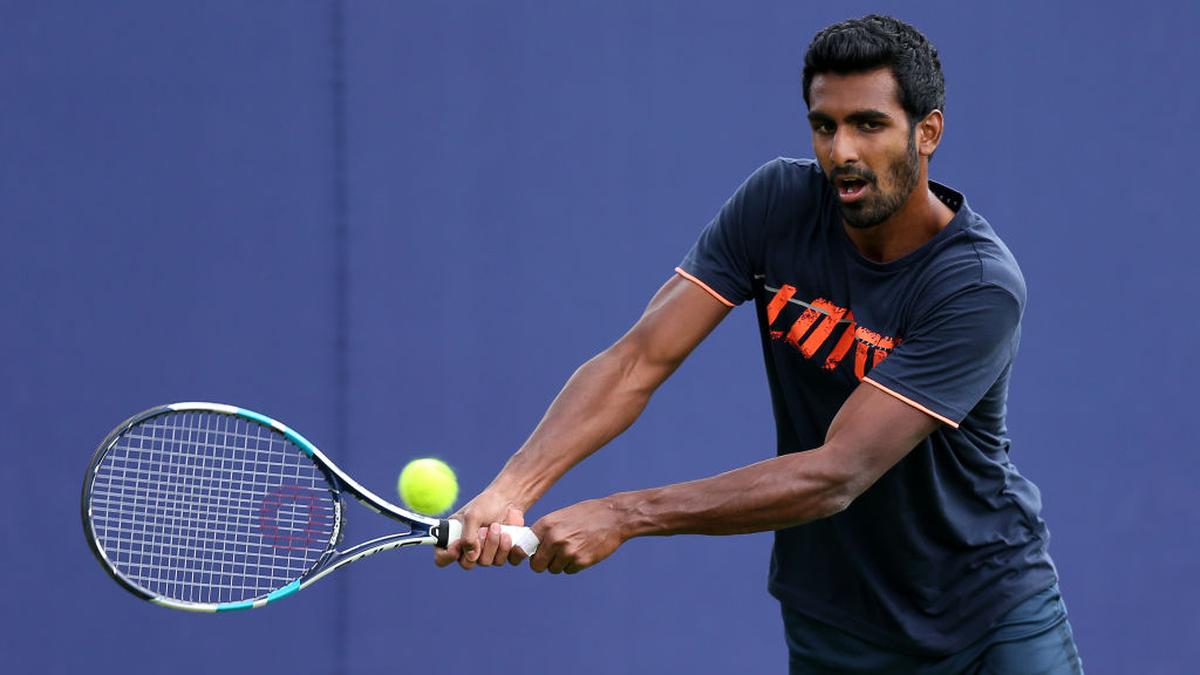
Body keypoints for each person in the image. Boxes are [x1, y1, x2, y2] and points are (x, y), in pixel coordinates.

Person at [435, 14, 1083, 673]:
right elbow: (636, 361)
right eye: (824, 125)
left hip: (992, 624)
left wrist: (625, 513)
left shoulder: (975, 285)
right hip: (837, 627)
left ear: (929, 132)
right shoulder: (777, 202)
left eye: (869, 123)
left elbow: (837, 473)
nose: (842, 151)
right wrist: (513, 487)